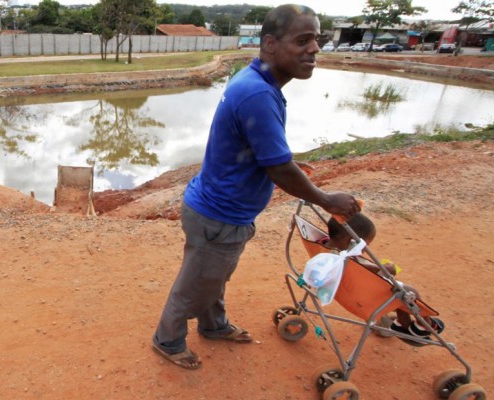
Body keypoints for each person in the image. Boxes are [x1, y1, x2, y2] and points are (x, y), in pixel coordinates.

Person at [151, 4, 361, 370]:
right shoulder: (258, 95)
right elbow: (279, 167)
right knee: (197, 283)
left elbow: (268, 155)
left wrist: (291, 167)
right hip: (219, 215)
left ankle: (214, 326)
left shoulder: (256, 81)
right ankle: (167, 340)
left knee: (213, 276)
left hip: (223, 211)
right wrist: (326, 199)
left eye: (317, 39)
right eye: (303, 40)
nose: (314, 49)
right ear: (270, 44)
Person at [322, 213, 445, 346]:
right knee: (407, 291)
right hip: (364, 300)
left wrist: (378, 268)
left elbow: (356, 267)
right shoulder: (342, 259)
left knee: (396, 292)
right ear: (350, 240)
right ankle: (424, 324)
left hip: (345, 294)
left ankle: (402, 325)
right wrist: (385, 271)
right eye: (365, 245)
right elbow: (365, 276)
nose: (364, 249)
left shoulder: (326, 248)